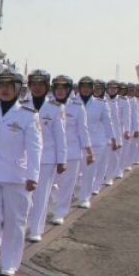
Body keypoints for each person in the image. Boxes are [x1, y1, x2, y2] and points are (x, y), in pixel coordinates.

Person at [0, 71, 42, 276]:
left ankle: (9, 262)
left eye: (9, 85)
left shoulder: (28, 115)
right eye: (1, 85)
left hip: (17, 175)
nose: (4, 89)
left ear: (18, 89)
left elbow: (35, 148)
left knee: (15, 221)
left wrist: (33, 176)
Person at [21, 70, 66, 242]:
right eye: (34, 84)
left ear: (47, 87)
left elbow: (60, 137)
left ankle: (36, 230)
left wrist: (62, 160)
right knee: (24, 195)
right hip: (25, 158)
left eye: (41, 84)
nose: (37, 88)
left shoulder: (56, 108)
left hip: (47, 158)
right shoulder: (22, 105)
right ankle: (22, 224)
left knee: (41, 195)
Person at [50, 74, 93, 225]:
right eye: (57, 88)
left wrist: (88, 152)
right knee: (48, 185)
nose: (60, 91)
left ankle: (59, 212)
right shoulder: (47, 105)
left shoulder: (77, 106)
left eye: (64, 88)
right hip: (50, 151)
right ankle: (55, 201)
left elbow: (83, 130)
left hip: (72, 151)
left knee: (67, 185)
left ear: (69, 90)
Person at [75, 77, 118, 209]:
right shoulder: (72, 102)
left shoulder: (101, 104)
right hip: (75, 142)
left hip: (95, 142)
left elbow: (108, 123)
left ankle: (84, 198)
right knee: (73, 173)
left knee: (89, 172)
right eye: (84, 86)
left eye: (89, 87)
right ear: (79, 88)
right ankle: (74, 192)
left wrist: (113, 139)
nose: (86, 89)